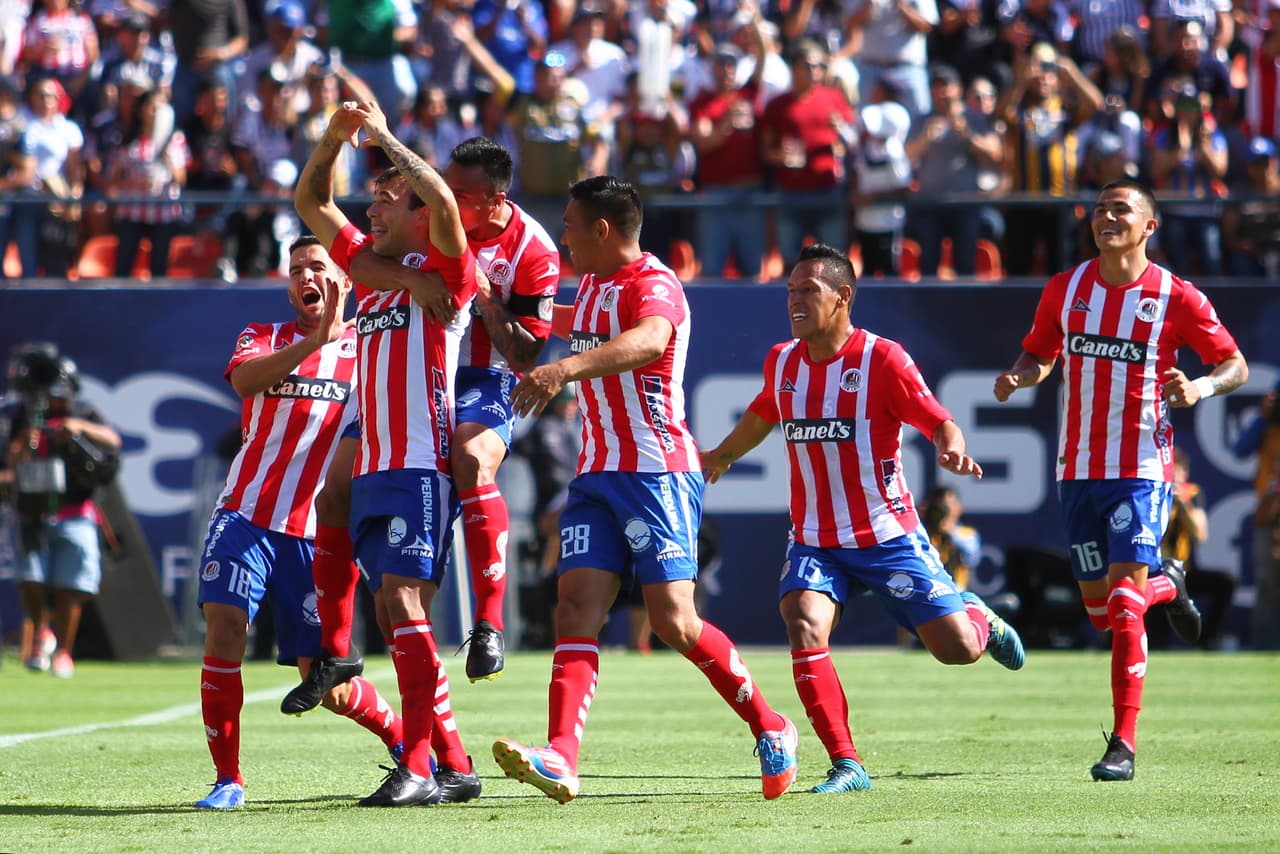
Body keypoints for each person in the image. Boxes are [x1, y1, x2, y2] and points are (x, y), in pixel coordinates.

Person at [491, 176, 799, 804]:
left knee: (674, 622)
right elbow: (546, 325)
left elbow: (650, 341)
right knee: (574, 607)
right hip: (596, 477)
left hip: (657, 472)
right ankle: (562, 757)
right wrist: (488, 302)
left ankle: (772, 726)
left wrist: (562, 367)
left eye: (573, 225)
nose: (567, 237)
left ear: (603, 229)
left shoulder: (655, 284)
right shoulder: (594, 289)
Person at [699, 243, 1024, 795]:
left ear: (843, 296)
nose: (795, 301)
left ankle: (976, 617)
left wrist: (951, 447)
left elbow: (939, 420)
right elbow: (764, 412)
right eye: (790, 292)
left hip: (886, 535)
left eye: (808, 291)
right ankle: (847, 764)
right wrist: (719, 457)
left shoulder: (883, 359)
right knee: (802, 622)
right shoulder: (782, 360)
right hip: (814, 539)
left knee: (957, 651)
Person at [993, 178, 1248, 781]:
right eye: (1102, 209)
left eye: (1121, 209)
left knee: (1126, 606)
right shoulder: (1066, 288)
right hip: (1077, 469)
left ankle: (1123, 746)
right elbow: (1041, 353)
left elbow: (1232, 363)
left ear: (1149, 227)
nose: (1107, 217)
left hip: (1141, 466)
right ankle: (1172, 580)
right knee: (1103, 612)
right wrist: (1019, 375)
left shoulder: (1176, 297)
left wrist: (1202, 386)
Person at [291, 99, 481, 807]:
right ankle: (452, 764)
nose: (370, 208)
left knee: (403, 603)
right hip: (373, 464)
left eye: (383, 199)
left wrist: (385, 136)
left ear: (418, 213)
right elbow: (310, 198)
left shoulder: (451, 271)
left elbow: (441, 198)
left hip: (419, 466)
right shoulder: (375, 274)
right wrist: (334, 137)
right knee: (388, 600)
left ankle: (421, 767)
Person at [193, 237, 406, 810]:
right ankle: (228, 779)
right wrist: (313, 342)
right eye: (295, 270)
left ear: (346, 279)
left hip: (316, 536)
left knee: (331, 686)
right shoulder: (264, 336)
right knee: (225, 628)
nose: (304, 278)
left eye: (317, 267)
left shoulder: (370, 352)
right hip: (245, 514)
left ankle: (411, 745)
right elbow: (243, 382)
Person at [1, 342, 120, 678]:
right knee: (30, 578)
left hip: (75, 510)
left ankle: (64, 651)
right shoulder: (22, 418)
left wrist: (77, 429)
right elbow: (11, 464)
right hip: (32, 510)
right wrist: (24, 446)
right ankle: (41, 632)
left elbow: (113, 440)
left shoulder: (83, 413)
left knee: (72, 586)